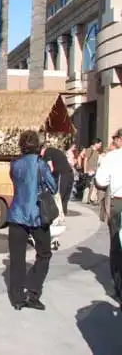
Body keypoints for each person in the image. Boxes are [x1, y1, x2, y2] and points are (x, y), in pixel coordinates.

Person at [7, 130, 57, 311]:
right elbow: (53, 187)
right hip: (37, 215)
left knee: (17, 258)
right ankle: (33, 292)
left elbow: (16, 183)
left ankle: (17, 299)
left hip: (16, 214)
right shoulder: (40, 165)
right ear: (38, 146)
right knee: (44, 254)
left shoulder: (14, 164)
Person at [95, 128, 122, 306]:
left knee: (117, 245)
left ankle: (119, 286)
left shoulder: (112, 157)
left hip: (118, 203)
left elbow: (101, 180)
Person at [41, 142, 75, 217]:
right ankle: (63, 213)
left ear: (43, 149)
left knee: (58, 195)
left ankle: (56, 214)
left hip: (62, 174)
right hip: (70, 173)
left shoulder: (47, 151)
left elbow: (51, 168)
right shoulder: (56, 151)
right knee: (65, 197)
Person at [84, 138, 103, 204]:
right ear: (96, 143)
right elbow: (85, 160)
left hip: (95, 170)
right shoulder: (89, 150)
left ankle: (91, 199)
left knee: (93, 186)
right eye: (100, 144)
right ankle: (87, 199)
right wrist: (85, 171)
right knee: (90, 185)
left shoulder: (97, 152)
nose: (100, 145)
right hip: (90, 171)